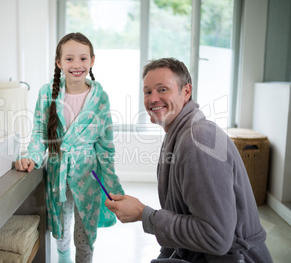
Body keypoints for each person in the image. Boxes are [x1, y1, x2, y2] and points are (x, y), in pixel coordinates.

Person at [105, 58, 273, 263]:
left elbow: (216, 238)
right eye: (147, 92)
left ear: (186, 91)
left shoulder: (199, 140)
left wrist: (143, 214)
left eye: (162, 89)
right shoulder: (179, 134)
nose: (153, 99)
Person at [15, 32, 124, 263]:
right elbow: (39, 132)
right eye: (70, 59)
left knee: (85, 237)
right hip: (58, 171)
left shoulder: (100, 97)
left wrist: (112, 182)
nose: (77, 65)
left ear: (92, 61)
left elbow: (105, 145)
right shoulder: (47, 93)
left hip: (89, 174)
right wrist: (32, 156)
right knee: (61, 233)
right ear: (59, 63)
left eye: (83, 59)